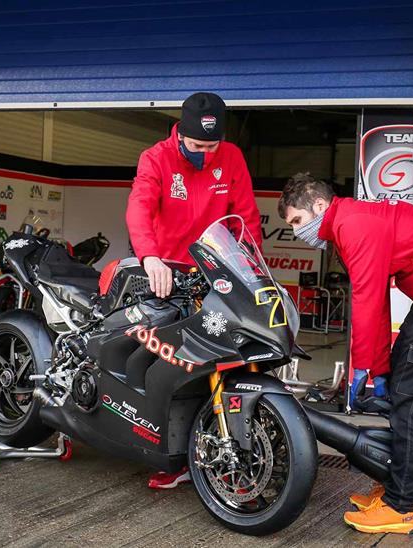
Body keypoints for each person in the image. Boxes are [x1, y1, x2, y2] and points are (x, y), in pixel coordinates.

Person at [278, 173, 413, 535]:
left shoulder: (352, 224)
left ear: (319, 206)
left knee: (412, 398)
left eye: (298, 221)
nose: (299, 232)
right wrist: (378, 369)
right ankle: (393, 487)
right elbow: (375, 299)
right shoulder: (351, 220)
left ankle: (401, 507)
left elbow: (368, 299)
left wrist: (364, 369)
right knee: (401, 382)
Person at [126, 91, 262, 488]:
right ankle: (160, 446)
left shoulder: (232, 158)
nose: (206, 152)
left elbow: (245, 218)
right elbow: (140, 206)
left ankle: (205, 449)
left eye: (212, 145)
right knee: (163, 360)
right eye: (198, 145)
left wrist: (251, 271)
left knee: (220, 356)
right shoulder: (156, 158)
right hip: (163, 271)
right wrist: (149, 257)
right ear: (181, 134)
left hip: (212, 270)